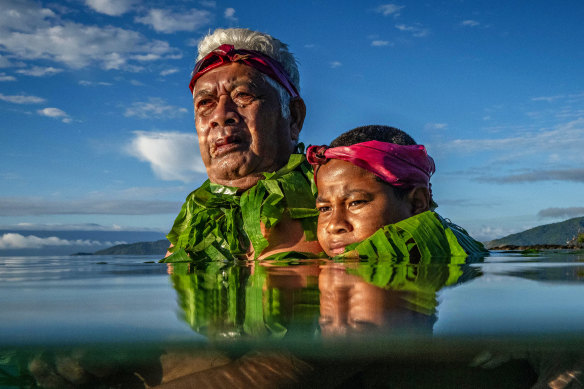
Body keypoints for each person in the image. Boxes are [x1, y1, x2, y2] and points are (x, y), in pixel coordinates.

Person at [165, 28, 321, 262]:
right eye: (205, 103)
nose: (220, 115)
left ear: (294, 117)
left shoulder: (338, 205)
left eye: (243, 95)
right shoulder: (190, 228)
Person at [306, 125, 487, 258]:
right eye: (324, 208)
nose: (334, 226)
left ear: (417, 203)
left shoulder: (459, 261)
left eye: (356, 202)